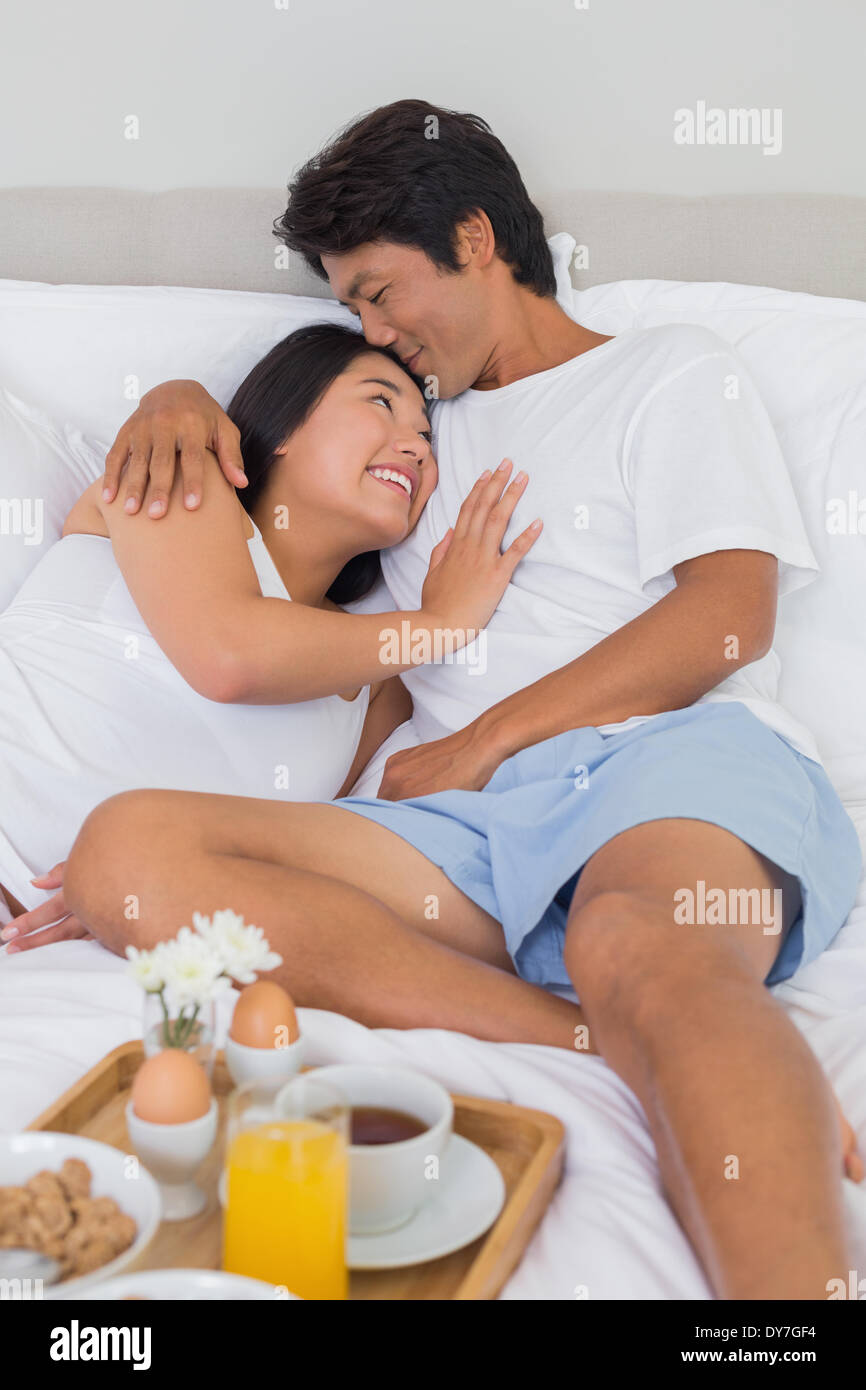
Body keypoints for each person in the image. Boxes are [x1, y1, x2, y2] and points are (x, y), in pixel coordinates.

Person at [11, 100, 864, 1299]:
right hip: (461, 834)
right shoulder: (409, 435)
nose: (371, 331)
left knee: (638, 943)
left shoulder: (666, 372)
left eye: (375, 290)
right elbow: (265, 531)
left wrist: (481, 742)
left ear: (472, 238)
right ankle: (589, 1036)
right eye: (350, 314)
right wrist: (174, 397)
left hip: (659, 759)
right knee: (128, 850)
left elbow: (729, 612)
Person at [0, 320, 540, 927]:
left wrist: (130, 888)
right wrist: (442, 622)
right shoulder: (180, 473)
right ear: (283, 424)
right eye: (380, 402)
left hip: (72, 939)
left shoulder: (379, 691)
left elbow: (278, 850)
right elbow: (230, 659)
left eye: (425, 434)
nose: (416, 446)